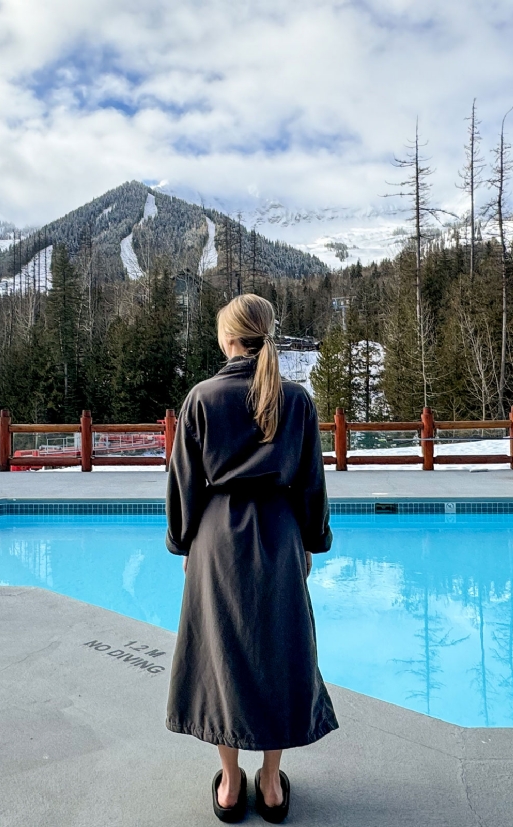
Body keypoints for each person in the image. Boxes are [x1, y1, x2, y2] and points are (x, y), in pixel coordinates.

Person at [165, 294, 336, 824]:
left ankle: (230, 786)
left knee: (223, 656)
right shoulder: (297, 400)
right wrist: (312, 542)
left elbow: (182, 485)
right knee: (280, 653)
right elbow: (312, 485)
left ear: (226, 338)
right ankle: (272, 785)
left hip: (217, 542)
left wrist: (183, 543)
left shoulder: (201, 398)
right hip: (280, 537)